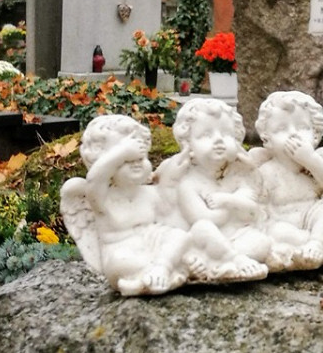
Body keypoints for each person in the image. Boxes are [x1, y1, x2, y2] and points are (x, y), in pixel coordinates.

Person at [60, 114, 193, 295]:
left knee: (179, 236)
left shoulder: (150, 192)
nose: (136, 164)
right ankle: (154, 276)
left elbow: (174, 208)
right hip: (122, 251)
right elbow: (94, 180)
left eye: (140, 158)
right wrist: (123, 151)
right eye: (126, 160)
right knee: (120, 261)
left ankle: (162, 269)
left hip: (154, 246)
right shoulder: (102, 198)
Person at [158, 98, 271, 277]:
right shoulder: (188, 182)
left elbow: (252, 212)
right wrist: (234, 205)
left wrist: (228, 200)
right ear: (188, 144)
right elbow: (202, 218)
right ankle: (235, 260)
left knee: (262, 242)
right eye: (206, 135)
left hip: (236, 237)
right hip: (205, 238)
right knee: (203, 228)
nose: (218, 140)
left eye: (226, 134)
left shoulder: (238, 175)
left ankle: (217, 261)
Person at [253, 91, 323, 268]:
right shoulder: (266, 171)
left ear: (315, 135)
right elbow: (256, 209)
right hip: (281, 225)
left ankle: (318, 245)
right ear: (267, 139)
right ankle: (319, 250)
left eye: (302, 127)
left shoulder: (315, 165)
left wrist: (311, 160)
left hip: (313, 218)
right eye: (281, 129)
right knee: (276, 231)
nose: (294, 134)